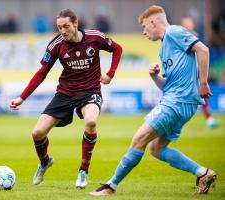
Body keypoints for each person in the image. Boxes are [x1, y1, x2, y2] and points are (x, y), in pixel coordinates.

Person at [90, 5, 217, 196]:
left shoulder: (174, 32)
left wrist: (203, 83)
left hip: (177, 102)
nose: (143, 32)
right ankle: (203, 173)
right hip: (180, 102)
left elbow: (203, 50)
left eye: (144, 27)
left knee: (138, 139)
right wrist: (155, 77)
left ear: (153, 22)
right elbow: (168, 86)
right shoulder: (164, 48)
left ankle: (111, 186)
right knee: (156, 148)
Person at [9, 8, 122, 188]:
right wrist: (22, 98)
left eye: (66, 27)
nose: (63, 31)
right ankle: (45, 162)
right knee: (37, 133)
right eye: (59, 28)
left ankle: (83, 170)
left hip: (90, 91)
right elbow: (41, 73)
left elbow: (117, 48)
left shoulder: (95, 37)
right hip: (65, 94)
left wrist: (110, 74)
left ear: (76, 24)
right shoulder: (56, 45)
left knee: (91, 122)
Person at [181, 17, 220, 129]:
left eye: (189, 24)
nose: (188, 27)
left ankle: (209, 119)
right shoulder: (181, 37)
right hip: (186, 73)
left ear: (193, 25)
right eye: (185, 25)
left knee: (203, 96)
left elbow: (202, 53)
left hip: (196, 72)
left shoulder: (195, 36)